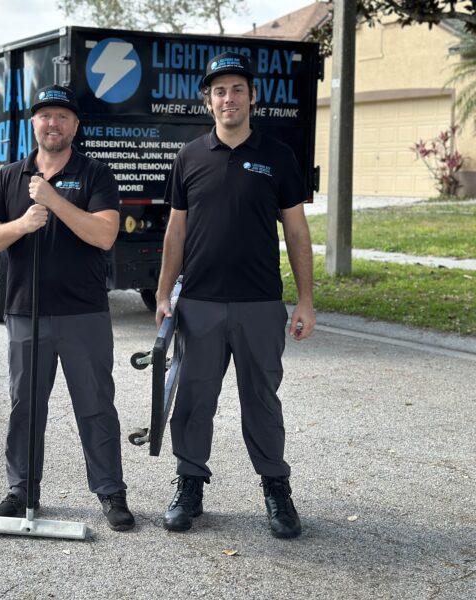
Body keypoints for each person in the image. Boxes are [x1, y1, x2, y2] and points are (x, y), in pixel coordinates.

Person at [155, 52, 316, 538]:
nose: (229, 98)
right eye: (220, 91)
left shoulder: (278, 156)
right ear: (208, 101)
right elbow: (175, 234)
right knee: (194, 400)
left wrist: (305, 300)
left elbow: (298, 231)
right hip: (199, 303)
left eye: (238, 89)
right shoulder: (189, 157)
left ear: (252, 97)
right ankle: (190, 485)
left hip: (260, 303)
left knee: (261, 400)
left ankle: (275, 489)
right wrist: (163, 293)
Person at [0, 85, 135, 531]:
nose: (53, 124)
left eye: (62, 116)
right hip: (26, 312)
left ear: (75, 126)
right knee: (25, 406)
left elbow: (104, 235)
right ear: (34, 124)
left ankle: (110, 492)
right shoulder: (10, 177)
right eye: (45, 116)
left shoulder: (95, 173)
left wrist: (52, 200)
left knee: (96, 405)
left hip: (84, 313)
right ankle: (22, 492)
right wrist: (23, 223)